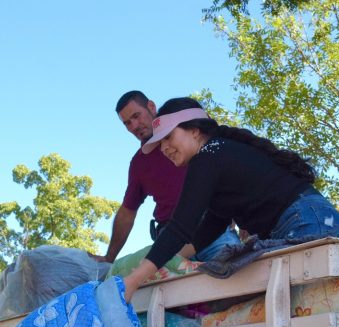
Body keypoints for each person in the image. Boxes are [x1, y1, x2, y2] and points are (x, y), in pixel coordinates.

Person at [123, 96, 339, 301]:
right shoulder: (219, 156)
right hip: (312, 219)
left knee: (308, 310)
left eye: (169, 137)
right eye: (160, 142)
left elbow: (180, 227)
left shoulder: (207, 157)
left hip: (306, 222)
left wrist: (133, 280)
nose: (164, 148)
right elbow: (206, 232)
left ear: (194, 130)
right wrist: (170, 262)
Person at [96, 90, 239, 263]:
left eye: (136, 116)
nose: (134, 126)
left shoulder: (194, 137)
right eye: (127, 123)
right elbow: (127, 211)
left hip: (214, 228)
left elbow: (234, 177)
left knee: (237, 275)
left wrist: (244, 220)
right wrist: (110, 257)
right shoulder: (140, 162)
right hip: (169, 238)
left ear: (151, 106)